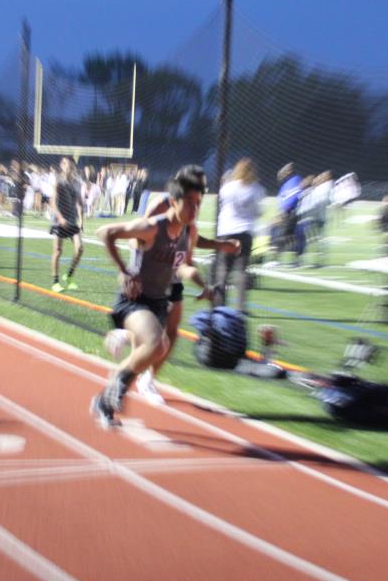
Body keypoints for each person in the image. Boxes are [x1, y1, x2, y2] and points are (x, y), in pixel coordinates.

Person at [91, 165, 211, 427]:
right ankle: (115, 384)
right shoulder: (153, 227)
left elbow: (183, 265)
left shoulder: (188, 232)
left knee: (153, 351)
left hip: (158, 302)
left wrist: (202, 284)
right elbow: (106, 233)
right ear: (174, 201)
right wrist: (124, 271)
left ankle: (105, 400)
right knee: (157, 343)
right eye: (189, 202)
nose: (194, 209)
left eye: (198, 203)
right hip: (134, 301)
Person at [111, 186, 241, 405]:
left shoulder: (190, 215)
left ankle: (148, 379)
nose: (195, 205)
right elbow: (139, 235)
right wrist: (128, 270)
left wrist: (220, 245)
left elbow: (192, 239)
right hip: (153, 273)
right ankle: (127, 370)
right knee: (152, 334)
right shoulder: (160, 206)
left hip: (175, 273)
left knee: (171, 330)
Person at [213, 157, 264, 312]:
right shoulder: (257, 189)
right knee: (241, 270)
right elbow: (258, 212)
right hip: (245, 232)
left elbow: (222, 203)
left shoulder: (228, 187)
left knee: (223, 269)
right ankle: (241, 307)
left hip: (226, 231)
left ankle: (219, 304)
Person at [49, 157, 84, 292]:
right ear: (62, 166)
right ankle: (55, 282)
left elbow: (79, 203)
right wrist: (60, 218)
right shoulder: (58, 181)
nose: (68, 167)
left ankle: (69, 276)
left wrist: (81, 221)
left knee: (79, 249)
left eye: (70, 165)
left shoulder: (77, 183)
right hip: (59, 221)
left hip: (72, 219)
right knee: (58, 251)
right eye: (65, 164)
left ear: (73, 167)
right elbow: (53, 203)